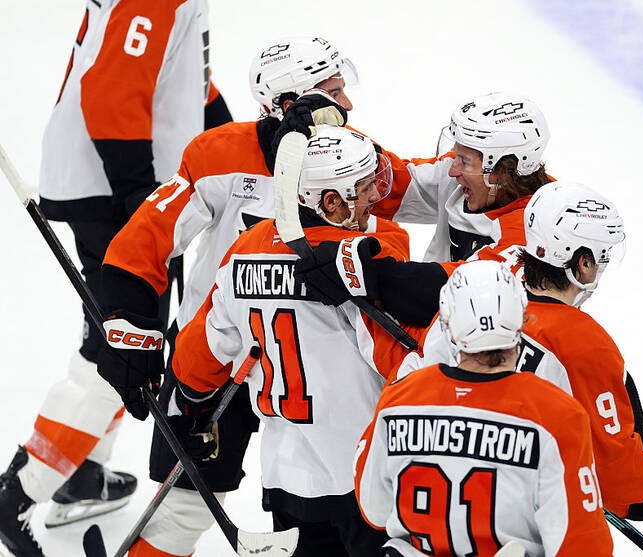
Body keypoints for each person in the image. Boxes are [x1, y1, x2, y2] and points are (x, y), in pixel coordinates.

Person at [95, 37, 374, 557]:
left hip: (313, 372)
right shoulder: (218, 153)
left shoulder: (355, 157)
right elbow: (147, 236)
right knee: (183, 506)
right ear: (290, 104)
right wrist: (127, 323)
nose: (349, 105)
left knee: (337, 509)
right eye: (334, 92)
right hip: (214, 355)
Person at [0, 1, 231, 556]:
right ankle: (21, 491)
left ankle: (81, 470)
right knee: (124, 347)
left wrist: (238, 139)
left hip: (113, 179)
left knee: (115, 342)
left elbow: (178, 71)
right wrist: (137, 198)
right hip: (111, 187)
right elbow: (111, 90)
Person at [392, 182, 643, 521]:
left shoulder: (472, 299)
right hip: (509, 528)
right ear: (583, 263)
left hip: (421, 511)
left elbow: (406, 381)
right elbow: (623, 488)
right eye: (603, 256)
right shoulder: (583, 344)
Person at [171, 124, 409, 557]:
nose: (376, 195)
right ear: (331, 201)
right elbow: (406, 362)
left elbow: (194, 363)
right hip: (369, 474)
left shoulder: (245, 250)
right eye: (364, 187)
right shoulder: (371, 250)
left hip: (286, 478)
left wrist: (191, 408)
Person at [354, 260, 614, 557]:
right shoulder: (557, 415)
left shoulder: (399, 399)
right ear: (521, 319)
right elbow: (584, 547)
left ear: (447, 326)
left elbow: (374, 509)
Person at [297, 92, 554, 330]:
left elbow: (461, 292)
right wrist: (325, 131)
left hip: (484, 354)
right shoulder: (467, 180)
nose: (452, 170)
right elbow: (389, 185)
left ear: (504, 170)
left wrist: (368, 273)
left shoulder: (543, 226)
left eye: (464, 161)